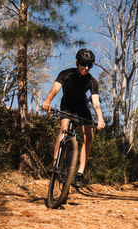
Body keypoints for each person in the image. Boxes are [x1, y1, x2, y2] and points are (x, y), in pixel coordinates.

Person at [42, 48, 105, 188]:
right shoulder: (66, 74)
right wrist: (47, 102)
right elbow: (55, 90)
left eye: (90, 65)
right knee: (64, 128)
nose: (86, 68)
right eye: (84, 64)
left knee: (89, 136)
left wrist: (100, 119)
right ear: (77, 63)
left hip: (82, 107)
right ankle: (55, 163)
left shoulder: (92, 81)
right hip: (67, 105)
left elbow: (96, 102)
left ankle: (80, 173)